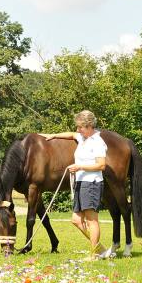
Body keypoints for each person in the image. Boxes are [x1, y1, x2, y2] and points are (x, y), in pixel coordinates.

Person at [40, 110, 111, 260]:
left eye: (80, 127)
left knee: (92, 220)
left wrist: (80, 167)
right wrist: (53, 135)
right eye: (77, 127)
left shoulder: (97, 142)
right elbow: (71, 135)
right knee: (76, 220)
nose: (78, 130)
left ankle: (94, 254)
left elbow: (101, 165)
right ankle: (100, 249)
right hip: (81, 182)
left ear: (90, 126)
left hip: (91, 183)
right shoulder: (83, 138)